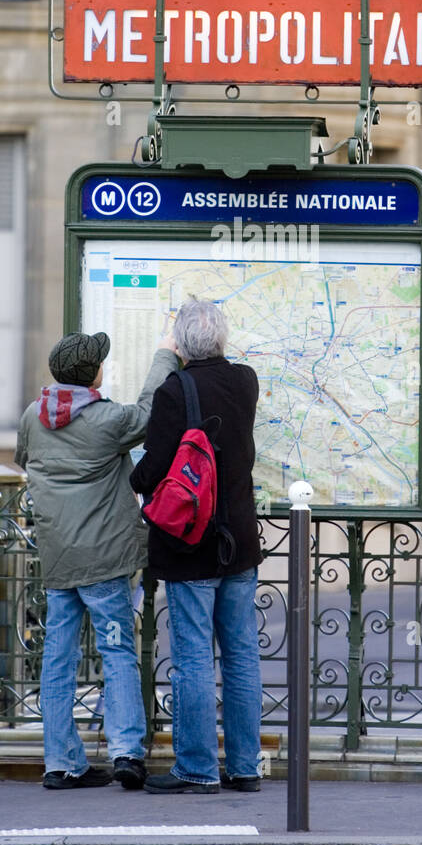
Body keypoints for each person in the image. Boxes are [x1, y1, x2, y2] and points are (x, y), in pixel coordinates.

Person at [15, 329, 177, 790]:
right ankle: (127, 753)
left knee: (58, 658)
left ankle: (60, 763)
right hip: (103, 561)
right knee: (117, 651)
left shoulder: (33, 415)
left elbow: (25, 458)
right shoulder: (107, 420)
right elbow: (150, 411)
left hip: (58, 559)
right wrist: (164, 354)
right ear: (95, 374)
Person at [130, 298, 263, 794]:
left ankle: (198, 768)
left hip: (191, 545)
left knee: (192, 658)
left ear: (181, 344)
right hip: (240, 543)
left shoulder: (174, 390)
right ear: (223, 339)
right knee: (241, 654)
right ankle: (245, 767)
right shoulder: (245, 381)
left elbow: (153, 469)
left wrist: (134, 476)